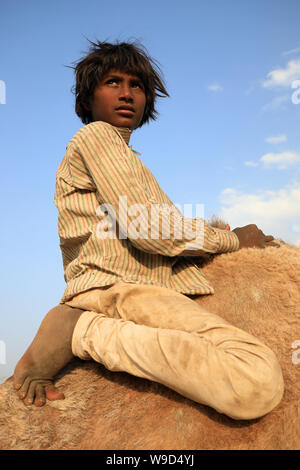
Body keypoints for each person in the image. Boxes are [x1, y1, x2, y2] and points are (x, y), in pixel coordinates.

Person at [12, 40, 284, 420]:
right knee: (255, 379)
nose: (126, 94)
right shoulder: (97, 138)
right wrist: (232, 240)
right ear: (88, 99)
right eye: (112, 82)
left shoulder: (125, 158)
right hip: (118, 286)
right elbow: (149, 229)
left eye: (137, 85)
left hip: (130, 285)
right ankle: (81, 331)